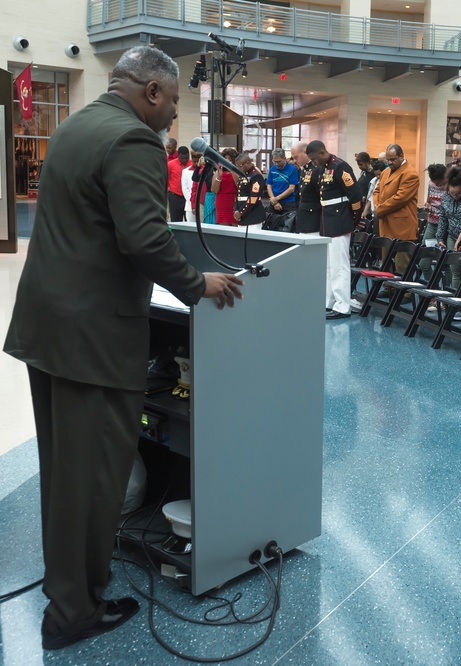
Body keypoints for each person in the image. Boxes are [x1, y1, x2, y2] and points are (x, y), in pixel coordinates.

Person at [3, 45, 243, 652]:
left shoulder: (78, 124)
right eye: (174, 103)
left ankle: (70, 585)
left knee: (64, 471)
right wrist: (198, 285)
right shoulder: (135, 141)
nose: (172, 117)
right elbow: (145, 239)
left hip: (50, 329)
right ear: (153, 92)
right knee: (94, 477)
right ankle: (72, 614)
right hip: (95, 338)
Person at [307, 140, 363, 320]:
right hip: (328, 220)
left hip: (339, 220)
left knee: (339, 266)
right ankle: (329, 302)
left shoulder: (340, 167)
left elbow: (355, 196)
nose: (314, 164)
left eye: (315, 160)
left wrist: (354, 219)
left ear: (322, 153)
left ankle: (343, 306)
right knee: (330, 265)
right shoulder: (325, 168)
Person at [374, 143, 420, 276]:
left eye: (393, 159)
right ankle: (389, 288)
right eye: (387, 160)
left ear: (401, 156)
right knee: (386, 262)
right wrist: (377, 205)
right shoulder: (385, 172)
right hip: (386, 222)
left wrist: (380, 209)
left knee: (402, 265)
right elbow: (377, 191)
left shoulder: (410, 174)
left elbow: (399, 198)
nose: (389, 162)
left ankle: (405, 294)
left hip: (402, 226)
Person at [437, 166, 461, 289]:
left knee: (456, 271)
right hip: (451, 236)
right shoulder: (445, 197)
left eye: (459, 194)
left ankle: (452, 301)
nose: (455, 196)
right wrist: (439, 238)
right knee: (450, 268)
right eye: (452, 193)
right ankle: (447, 296)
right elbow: (443, 218)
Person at [419, 164, 448, 280]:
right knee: (424, 264)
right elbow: (429, 201)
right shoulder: (431, 183)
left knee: (446, 265)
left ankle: (445, 295)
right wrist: (427, 205)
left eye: (439, 182)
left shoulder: (451, 185)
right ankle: (432, 289)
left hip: (446, 228)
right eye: (434, 181)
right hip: (431, 224)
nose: (436, 184)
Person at [290, 140, 321, 234]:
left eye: (296, 157)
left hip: (314, 219)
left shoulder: (317, 169)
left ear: (305, 152)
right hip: (303, 217)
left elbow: (320, 195)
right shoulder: (304, 170)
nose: (295, 161)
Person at [232, 153, 266, 227]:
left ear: (247, 162)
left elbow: (253, 198)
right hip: (242, 216)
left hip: (253, 215)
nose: (238, 168)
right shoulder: (243, 175)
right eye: (237, 166)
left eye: (240, 166)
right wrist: (236, 210)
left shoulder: (256, 176)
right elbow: (238, 194)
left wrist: (241, 212)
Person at [211, 147, 239, 226]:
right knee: (224, 226)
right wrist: (219, 176)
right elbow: (214, 190)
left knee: (235, 226)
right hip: (222, 202)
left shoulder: (237, 171)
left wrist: (231, 169)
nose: (227, 161)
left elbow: (238, 185)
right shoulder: (218, 171)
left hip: (234, 201)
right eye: (225, 159)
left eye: (229, 159)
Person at [266, 147, 298, 213]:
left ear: (284, 158)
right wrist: (274, 201)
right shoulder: (272, 169)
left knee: (288, 222)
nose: (277, 164)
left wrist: (277, 199)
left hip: (288, 203)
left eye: (279, 161)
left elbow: (291, 188)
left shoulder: (292, 169)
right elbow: (269, 186)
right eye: (274, 161)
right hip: (274, 202)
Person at [166, 144, 188, 221]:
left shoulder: (192, 164)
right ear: (178, 156)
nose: (184, 160)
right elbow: (165, 177)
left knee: (189, 220)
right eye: (182, 158)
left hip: (187, 197)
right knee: (175, 220)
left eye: (186, 158)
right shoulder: (170, 164)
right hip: (175, 197)